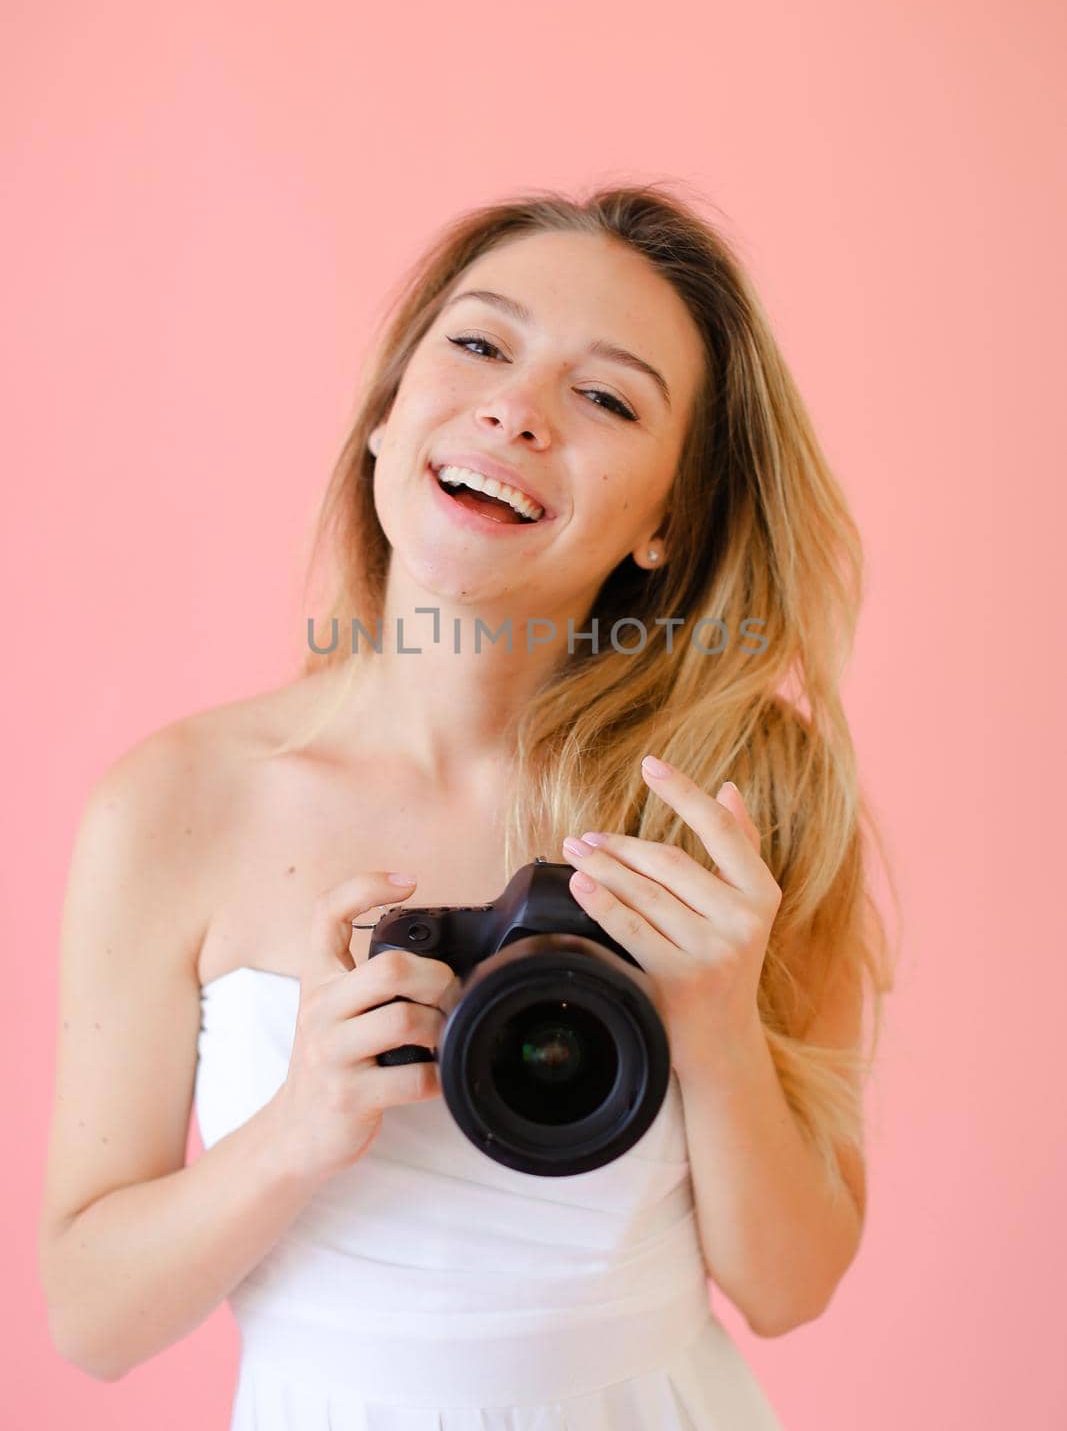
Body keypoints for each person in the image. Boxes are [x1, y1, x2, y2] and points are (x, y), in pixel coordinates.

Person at [38, 183, 897, 1428]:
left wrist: (710, 1020)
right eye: (480, 344)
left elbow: (790, 1285)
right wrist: (295, 1131)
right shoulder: (174, 805)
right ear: (387, 418)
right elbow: (90, 1320)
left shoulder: (742, 801)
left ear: (668, 521)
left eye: (604, 397)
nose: (515, 408)